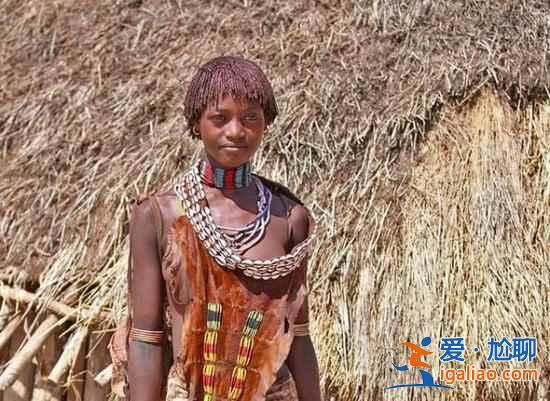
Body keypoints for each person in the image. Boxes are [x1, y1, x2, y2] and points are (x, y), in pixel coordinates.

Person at [125, 56, 322, 401]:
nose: (236, 131)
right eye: (220, 118)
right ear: (195, 124)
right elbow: (146, 337)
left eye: (250, 118)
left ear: (265, 124)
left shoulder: (289, 216)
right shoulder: (159, 215)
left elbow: (299, 337)